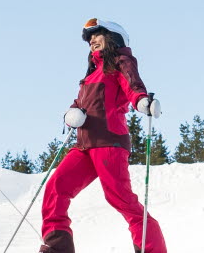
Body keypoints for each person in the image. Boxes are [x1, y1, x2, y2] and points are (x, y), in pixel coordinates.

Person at [39, 18, 166, 253]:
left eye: (97, 36)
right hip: (84, 146)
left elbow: (132, 85)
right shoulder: (91, 75)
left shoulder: (120, 62)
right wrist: (71, 112)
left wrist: (142, 101)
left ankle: (152, 249)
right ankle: (58, 249)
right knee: (56, 189)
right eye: (89, 40)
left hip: (109, 142)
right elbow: (80, 102)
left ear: (113, 38)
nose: (92, 42)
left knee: (120, 198)